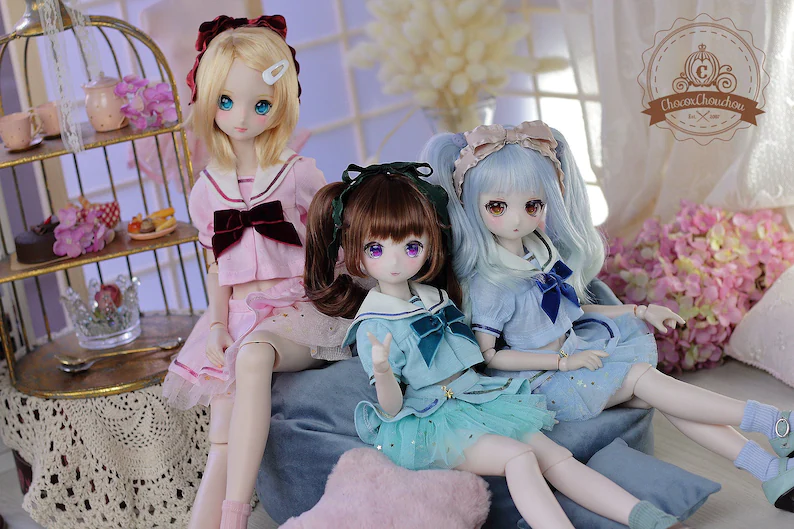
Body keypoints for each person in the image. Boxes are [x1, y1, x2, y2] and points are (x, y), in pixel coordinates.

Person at [422, 120, 794, 512]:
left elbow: (574, 309)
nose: (518, 219)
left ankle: (770, 471)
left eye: (532, 205)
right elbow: (489, 356)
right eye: (497, 206)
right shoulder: (489, 284)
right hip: (543, 384)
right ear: (472, 205)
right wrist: (562, 362)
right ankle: (774, 421)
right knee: (644, 378)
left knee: (669, 399)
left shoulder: (539, 251)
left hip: (578, 353)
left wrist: (638, 310)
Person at [303, 162, 690, 529]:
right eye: (375, 249)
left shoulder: (434, 297)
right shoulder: (374, 323)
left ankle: (643, 516)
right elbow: (391, 407)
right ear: (355, 250)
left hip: (480, 397)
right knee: (520, 457)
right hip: (431, 419)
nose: (394, 262)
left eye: (411, 247)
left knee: (555, 457)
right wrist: (383, 370)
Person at [161, 16, 349, 529]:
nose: (241, 117)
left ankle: (236, 515)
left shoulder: (297, 173)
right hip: (240, 314)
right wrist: (216, 324)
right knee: (221, 427)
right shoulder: (207, 189)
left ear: (280, 103)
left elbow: (334, 241)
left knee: (254, 356)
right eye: (226, 101)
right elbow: (216, 266)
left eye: (260, 104)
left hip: (297, 309)